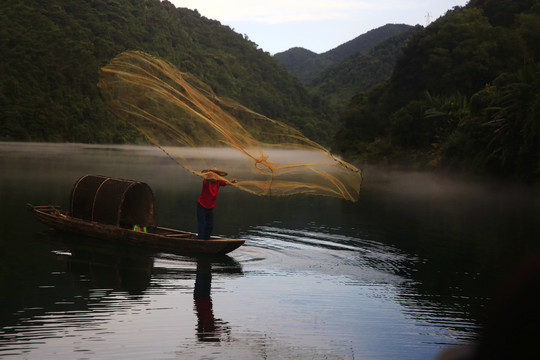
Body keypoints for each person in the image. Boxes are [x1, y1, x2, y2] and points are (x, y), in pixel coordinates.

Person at [197, 167, 237, 240]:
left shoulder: (218, 182)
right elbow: (205, 181)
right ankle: (200, 240)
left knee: (210, 225)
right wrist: (208, 177)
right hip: (202, 205)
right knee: (202, 224)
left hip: (210, 207)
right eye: (212, 175)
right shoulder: (206, 182)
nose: (214, 177)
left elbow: (226, 183)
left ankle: (206, 239)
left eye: (215, 175)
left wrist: (232, 182)